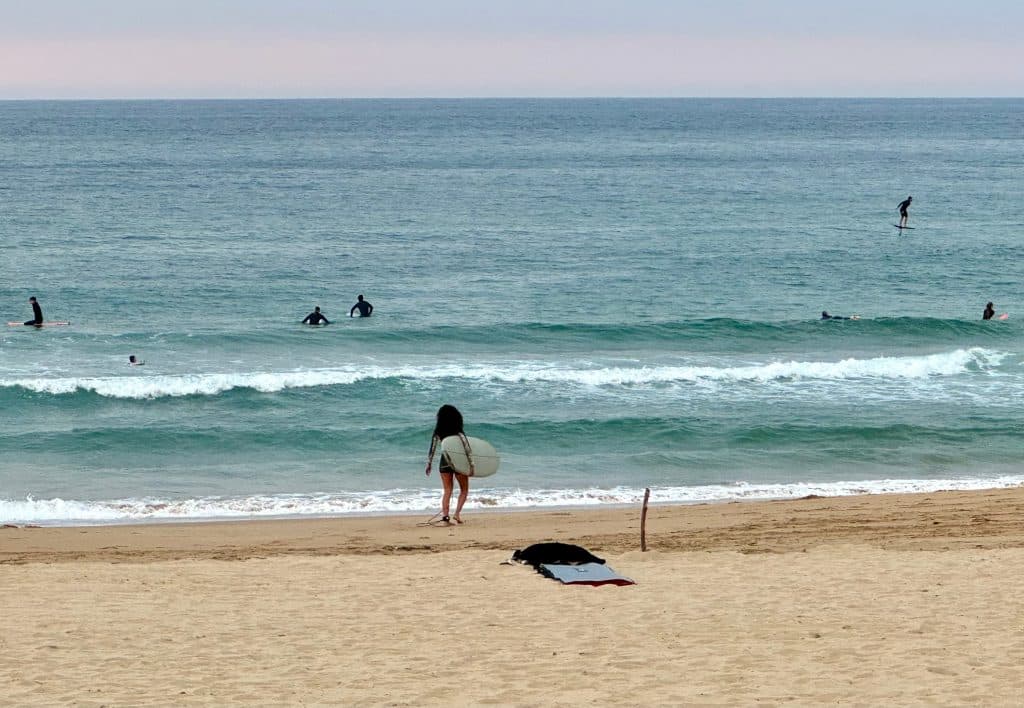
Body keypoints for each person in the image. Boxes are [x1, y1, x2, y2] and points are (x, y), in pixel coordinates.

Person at [424, 404, 474, 525]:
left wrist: (429, 464)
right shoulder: (458, 432)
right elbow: (467, 449)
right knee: (464, 489)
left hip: (444, 461)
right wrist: (471, 466)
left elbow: (433, 448)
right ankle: (457, 514)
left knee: (447, 490)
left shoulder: (438, 432)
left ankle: (445, 517)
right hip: (458, 461)